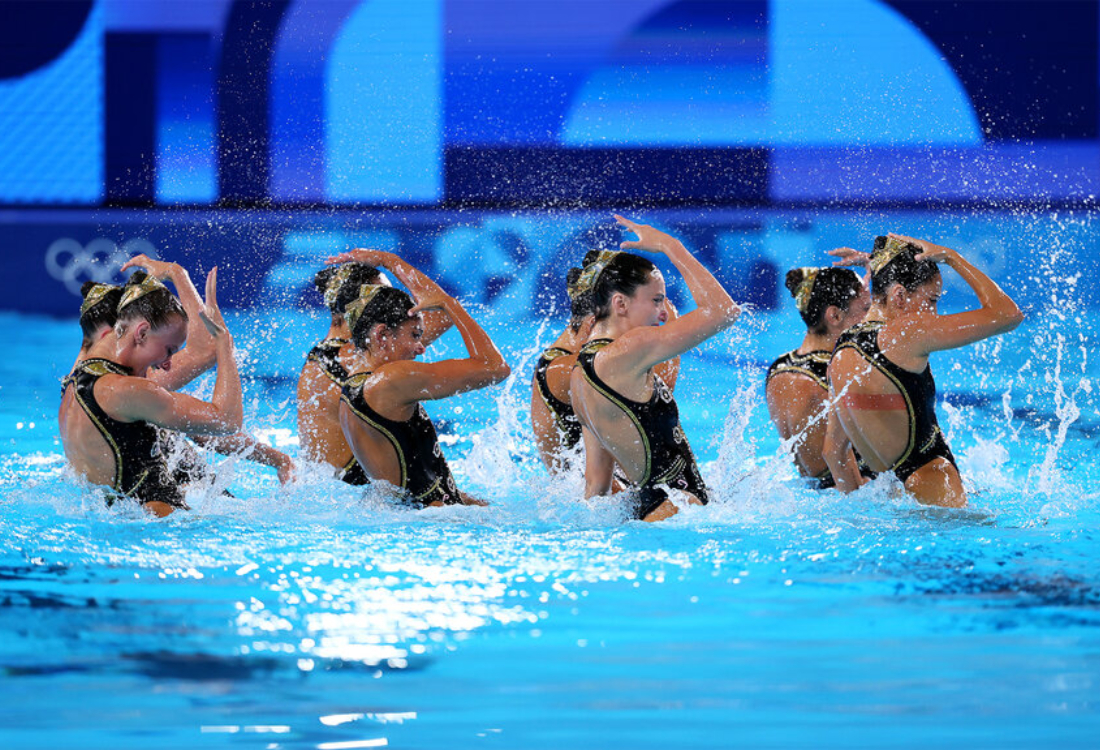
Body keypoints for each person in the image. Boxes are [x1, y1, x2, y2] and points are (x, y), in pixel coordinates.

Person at [824, 233, 1023, 507]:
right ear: (899, 295)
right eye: (932, 300)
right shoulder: (905, 333)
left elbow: (833, 452)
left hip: (889, 493)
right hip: (934, 480)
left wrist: (857, 509)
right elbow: (1008, 315)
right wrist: (952, 257)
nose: (934, 312)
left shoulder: (842, 349)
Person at [570, 215, 740, 522]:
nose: (664, 313)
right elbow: (724, 311)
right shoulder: (630, 347)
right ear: (620, 304)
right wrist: (670, 245)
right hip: (676, 514)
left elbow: (596, 486)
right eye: (657, 300)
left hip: (649, 512)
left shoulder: (580, 374)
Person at [69, 257, 294, 484]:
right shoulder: (120, 389)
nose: (167, 363)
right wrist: (176, 274)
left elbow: (199, 426)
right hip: (181, 500)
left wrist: (279, 459)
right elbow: (221, 413)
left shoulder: (88, 384)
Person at [328, 250, 509, 507]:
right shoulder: (391, 380)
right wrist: (451, 304)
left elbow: (414, 485)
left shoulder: (356, 378)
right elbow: (495, 368)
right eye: (414, 335)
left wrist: (389, 261)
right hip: (433, 523)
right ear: (382, 335)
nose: (421, 347)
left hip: (409, 516)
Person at [59, 268, 244, 516]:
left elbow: (201, 353)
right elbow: (227, 420)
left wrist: (177, 274)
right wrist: (225, 344)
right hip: (164, 524)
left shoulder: (75, 382)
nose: (168, 364)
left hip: (121, 518)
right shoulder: (125, 391)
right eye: (169, 350)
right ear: (142, 332)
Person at [298, 254, 452, 484]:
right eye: (385, 295)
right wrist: (388, 260)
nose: (395, 304)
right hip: (361, 491)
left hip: (334, 488)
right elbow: (444, 311)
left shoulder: (325, 355)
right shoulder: (361, 351)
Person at [531, 257, 679, 474]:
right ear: (594, 322)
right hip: (606, 491)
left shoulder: (562, 362)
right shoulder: (564, 369)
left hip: (600, 489)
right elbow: (660, 387)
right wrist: (672, 325)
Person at [765, 264, 870, 488]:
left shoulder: (779, 367)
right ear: (835, 315)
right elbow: (838, 463)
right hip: (848, 498)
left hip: (813, 492)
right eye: (866, 309)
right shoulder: (834, 374)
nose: (871, 318)